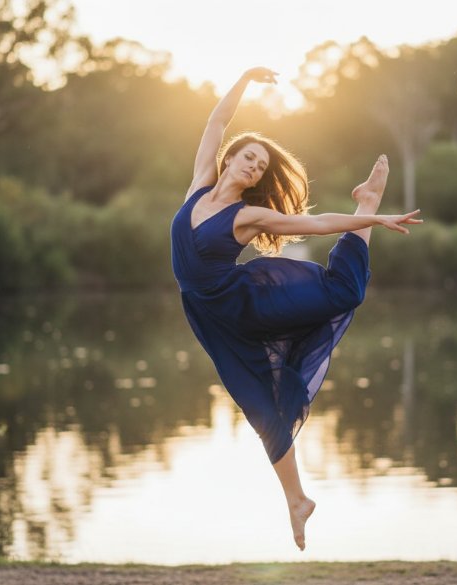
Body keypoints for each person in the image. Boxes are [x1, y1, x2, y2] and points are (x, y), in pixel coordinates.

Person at [169, 67, 422, 551]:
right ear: (229, 160)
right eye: (248, 157)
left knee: (344, 293)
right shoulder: (198, 185)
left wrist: (374, 215)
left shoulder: (247, 216)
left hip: (244, 301)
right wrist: (243, 77)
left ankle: (367, 201)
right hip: (208, 316)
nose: (253, 167)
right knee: (261, 406)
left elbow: (317, 221)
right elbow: (216, 122)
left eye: (260, 167)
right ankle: (297, 501)